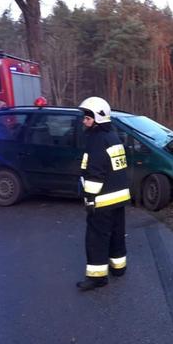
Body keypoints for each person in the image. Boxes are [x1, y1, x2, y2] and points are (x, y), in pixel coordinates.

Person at [76, 96, 131, 291]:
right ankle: (118, 268)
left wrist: (90, 199)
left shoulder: (97, 140)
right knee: (117, 234)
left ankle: (97, 277)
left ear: (98, 118)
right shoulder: (113, 136)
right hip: (119, 197)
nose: (84, 121)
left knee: (96, 238)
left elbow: (95, 173)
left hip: (102, 199)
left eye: (87, 118)